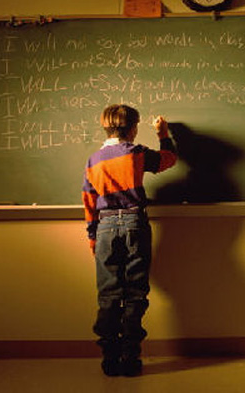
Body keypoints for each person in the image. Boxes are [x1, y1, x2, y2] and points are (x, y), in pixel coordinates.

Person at [82, 104, 177, 376]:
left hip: (105, 226)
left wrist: (92, 236)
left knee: (108, 294)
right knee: (135, 292)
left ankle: (109, 358)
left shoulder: (93, 160)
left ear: (106, 127)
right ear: (133, 128)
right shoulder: (135, 153)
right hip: (135, 222)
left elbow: (88, 202)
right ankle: (131, 357)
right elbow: (168, 159)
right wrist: (163, 134)